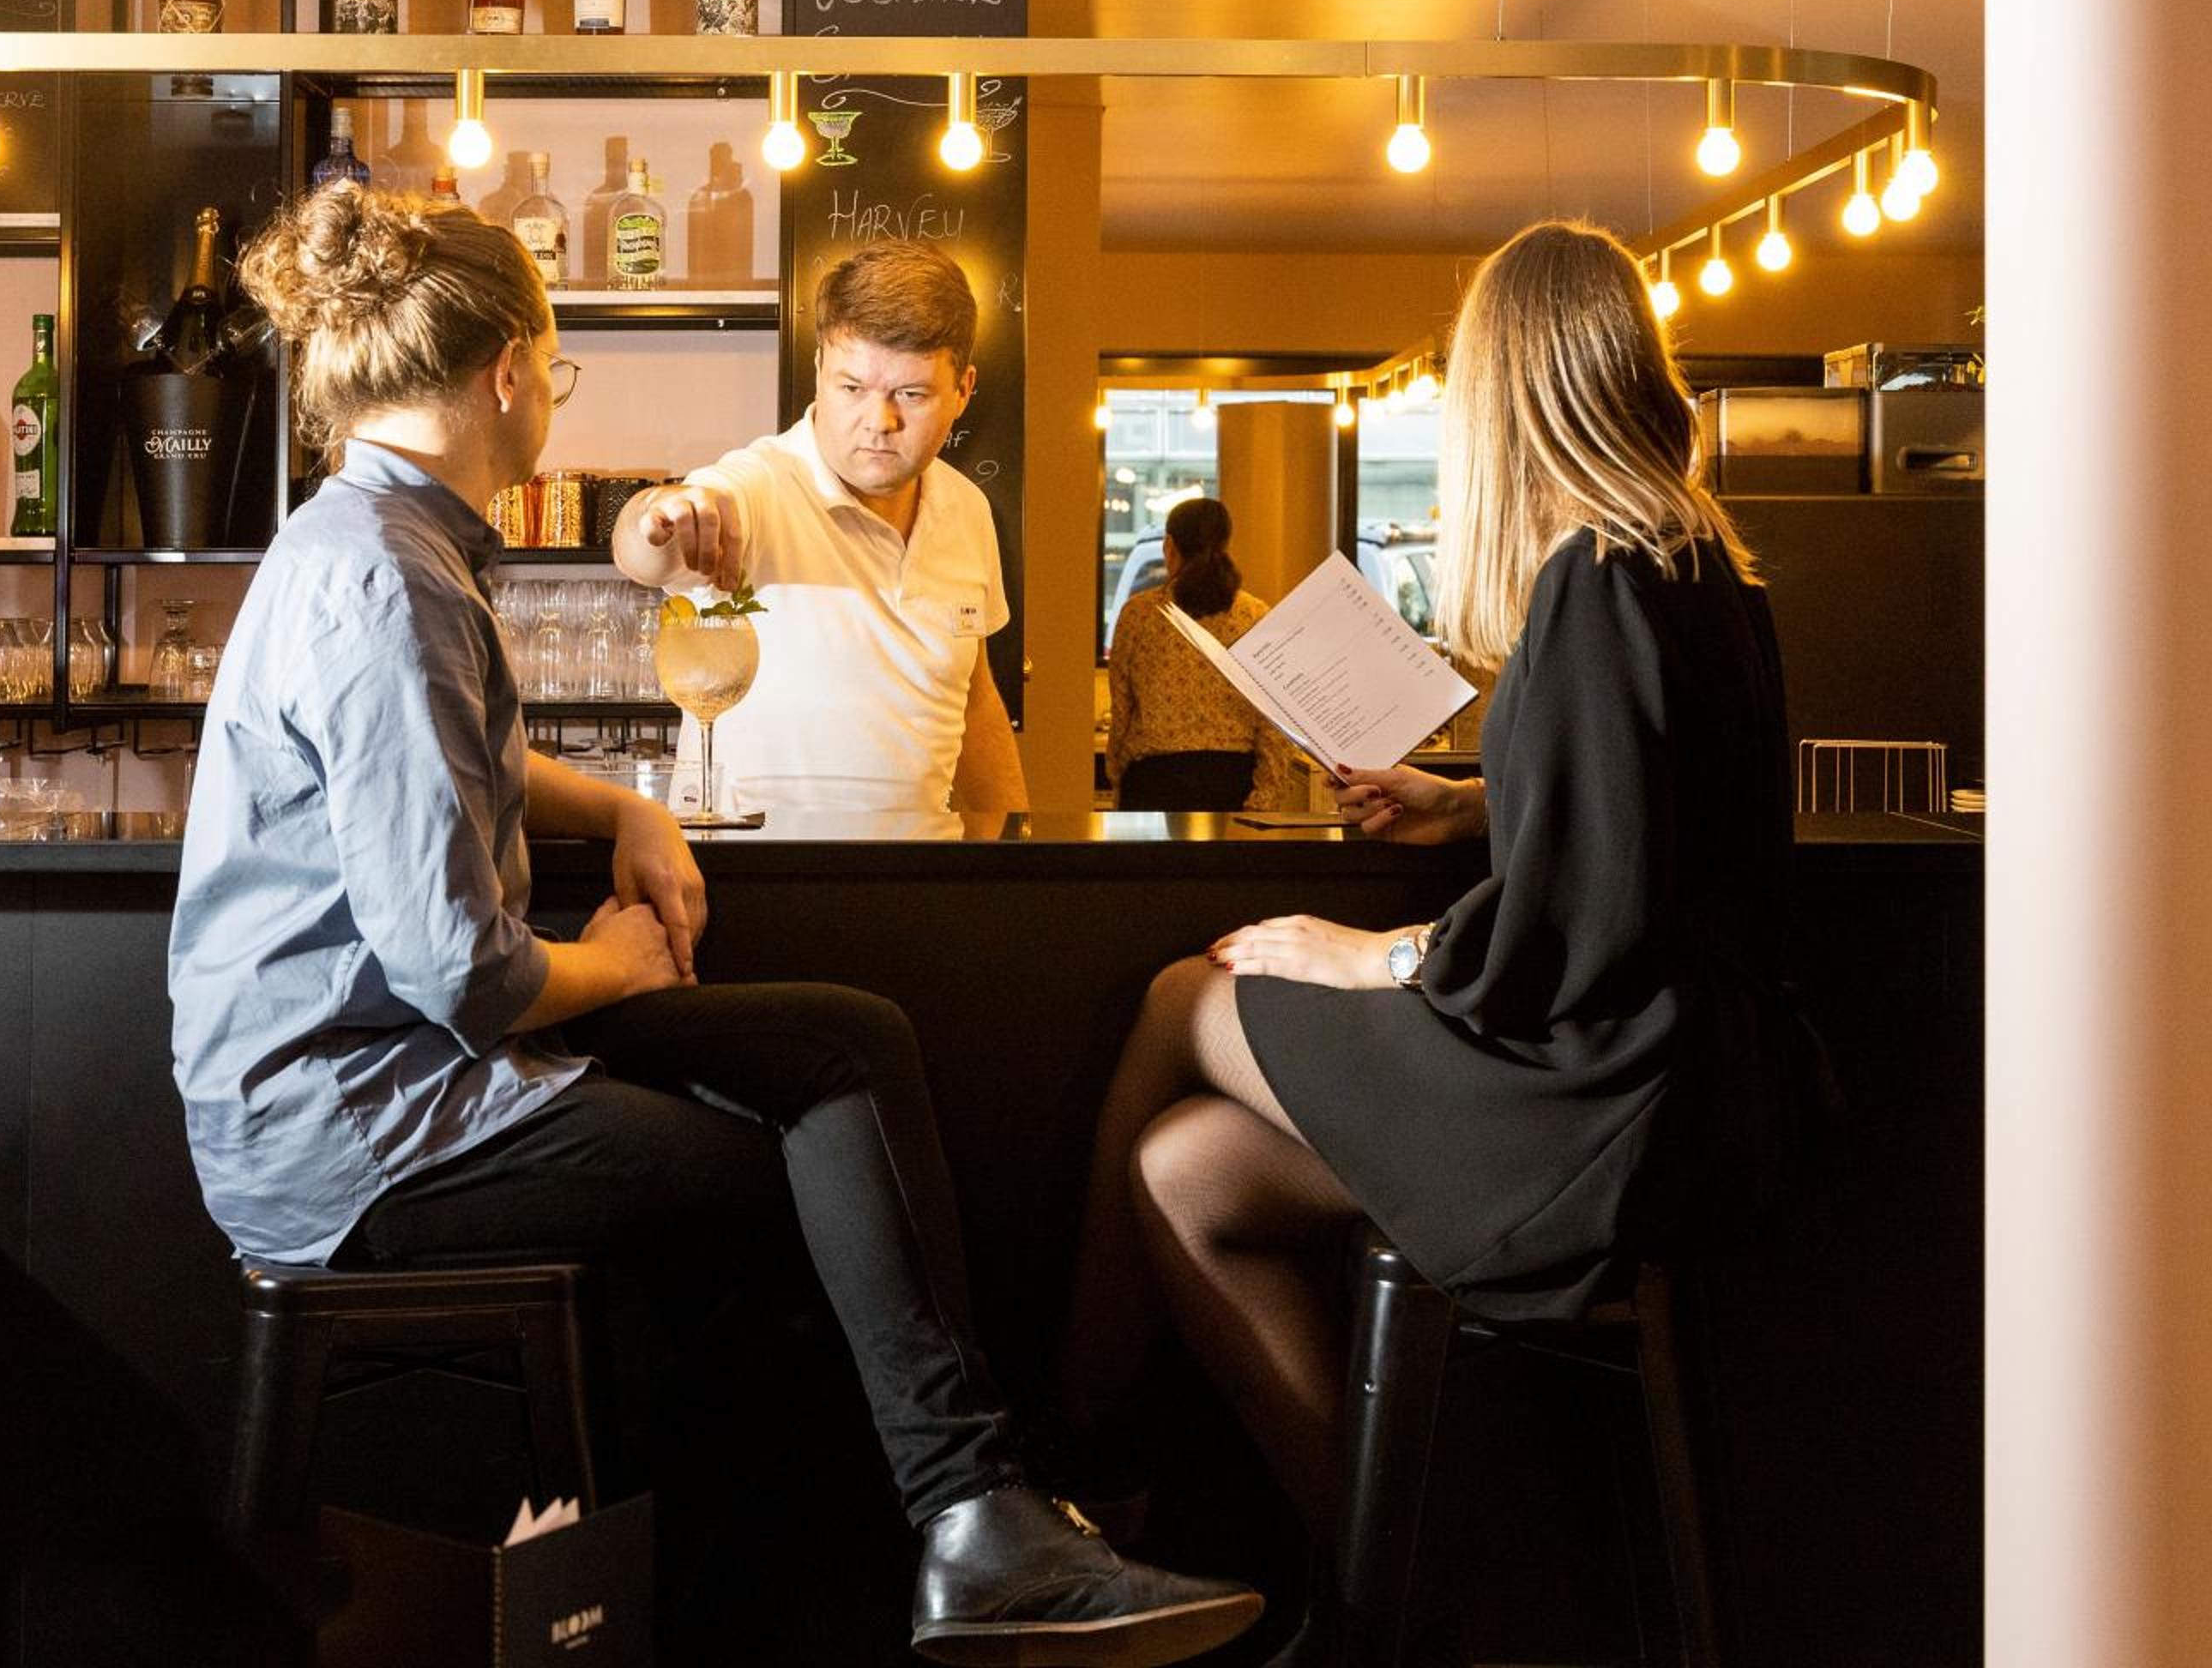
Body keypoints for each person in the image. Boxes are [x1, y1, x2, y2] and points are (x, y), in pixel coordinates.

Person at [166, 188, 1259, 1667]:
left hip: (380, 1079)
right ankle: (882, 1549)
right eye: (555, 370)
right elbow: (458, 971)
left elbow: (463, 767)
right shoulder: (388, 580)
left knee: (847, 1049)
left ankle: (957, 1529)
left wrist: (623, 805)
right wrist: (614, 963)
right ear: (508, 372)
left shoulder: (379, 540)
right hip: (367, 1126)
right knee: (817, 1201)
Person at [1055, 220, 1829, 1655]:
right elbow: (1642, 819)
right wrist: (1466, 802)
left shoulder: (1597, 571)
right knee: (1187, 1171)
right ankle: (1412, 1608)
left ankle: (1071, 1473)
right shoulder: (1693, 557)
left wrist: (1376, 954)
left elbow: (1584, 913)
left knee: (1182, 998)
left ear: (1505, 388)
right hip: (1686, 1092)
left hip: (1601, 1095)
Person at [611, 238, 1029, 816]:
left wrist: (1013, 854)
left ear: (964, 390)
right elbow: (642, 553)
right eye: (852, 388)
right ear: (818, 371)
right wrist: (658, 512)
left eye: (911, 394)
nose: (879, 421)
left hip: (923, 863)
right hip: (759, 865)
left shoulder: (967, 508)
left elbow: (974, 701)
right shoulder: (757, 485)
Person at [1106, 497, 1295, 811]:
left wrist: (1116, 776)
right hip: (1231, 783)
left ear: (1169, 547)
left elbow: (1122, 711)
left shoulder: (1138, 614)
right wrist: (1264, 797)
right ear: (1225, 545)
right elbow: (1274, 721)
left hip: (1152, 782)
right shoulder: (1255, 615)